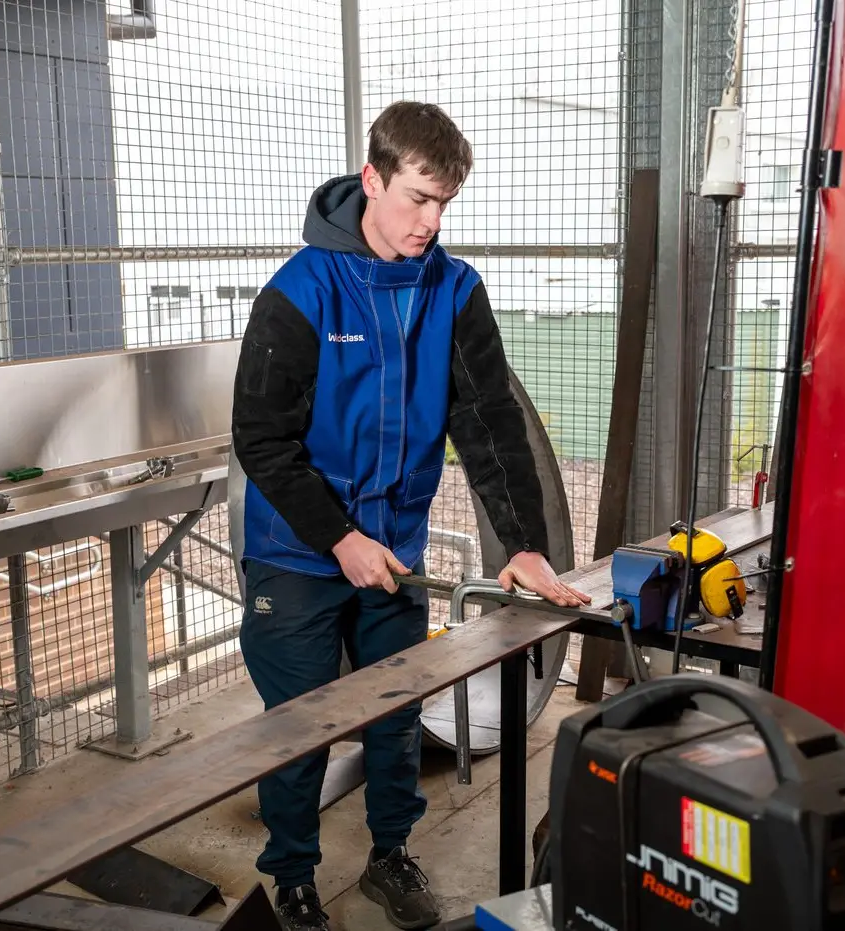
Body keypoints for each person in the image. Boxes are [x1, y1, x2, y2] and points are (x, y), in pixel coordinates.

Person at [231, 100, 591, 931]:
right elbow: (262, 437)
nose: (431, 222)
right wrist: (337, 536)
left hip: (393, 552)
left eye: (444, 205)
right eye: (418, 199)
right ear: (372, 180)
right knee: (301, 727)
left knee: (396, 712)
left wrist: (528, 544)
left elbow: (489, 425)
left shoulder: (453, 291)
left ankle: (390, 855)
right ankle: (290, 877)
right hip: (299, 556)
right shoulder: (299, 292)